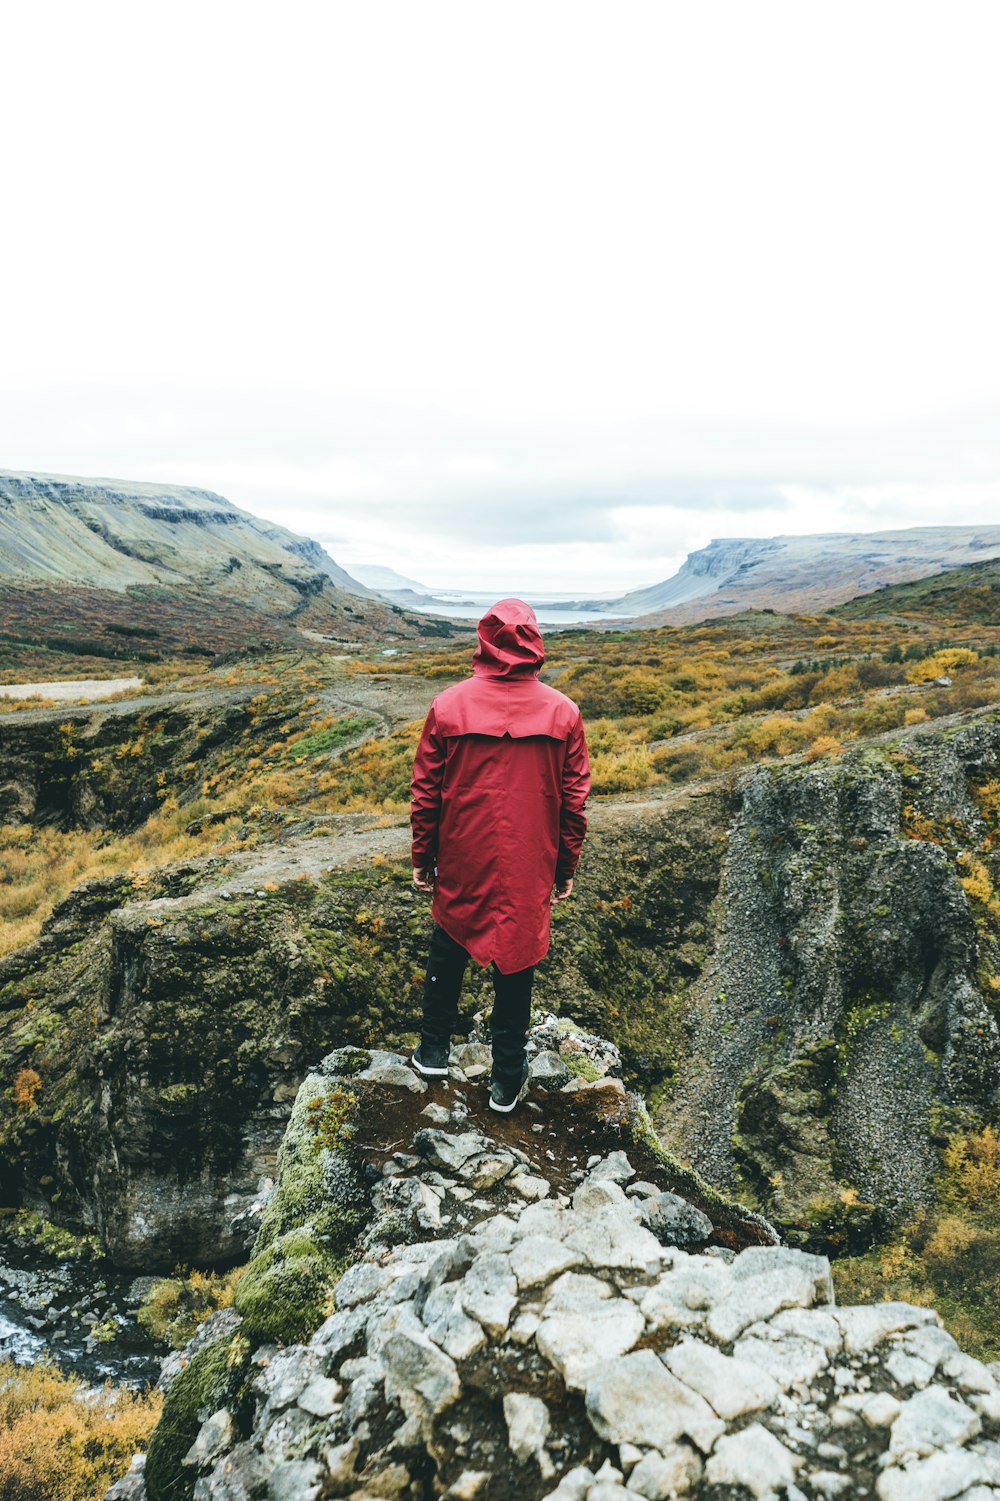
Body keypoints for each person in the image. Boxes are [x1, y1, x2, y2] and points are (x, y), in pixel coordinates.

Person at [409, 597, 590, 1112]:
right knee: (517, 956)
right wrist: (565, 866)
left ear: (484, 639)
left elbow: (426, 791)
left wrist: (424, 855)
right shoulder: (564, 712)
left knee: (449, 937)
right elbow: (574, 802)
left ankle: (433, 1050)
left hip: (463, 851)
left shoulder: (448, 705)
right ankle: (507, 1078)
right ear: (534, 641)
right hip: (530, 859)